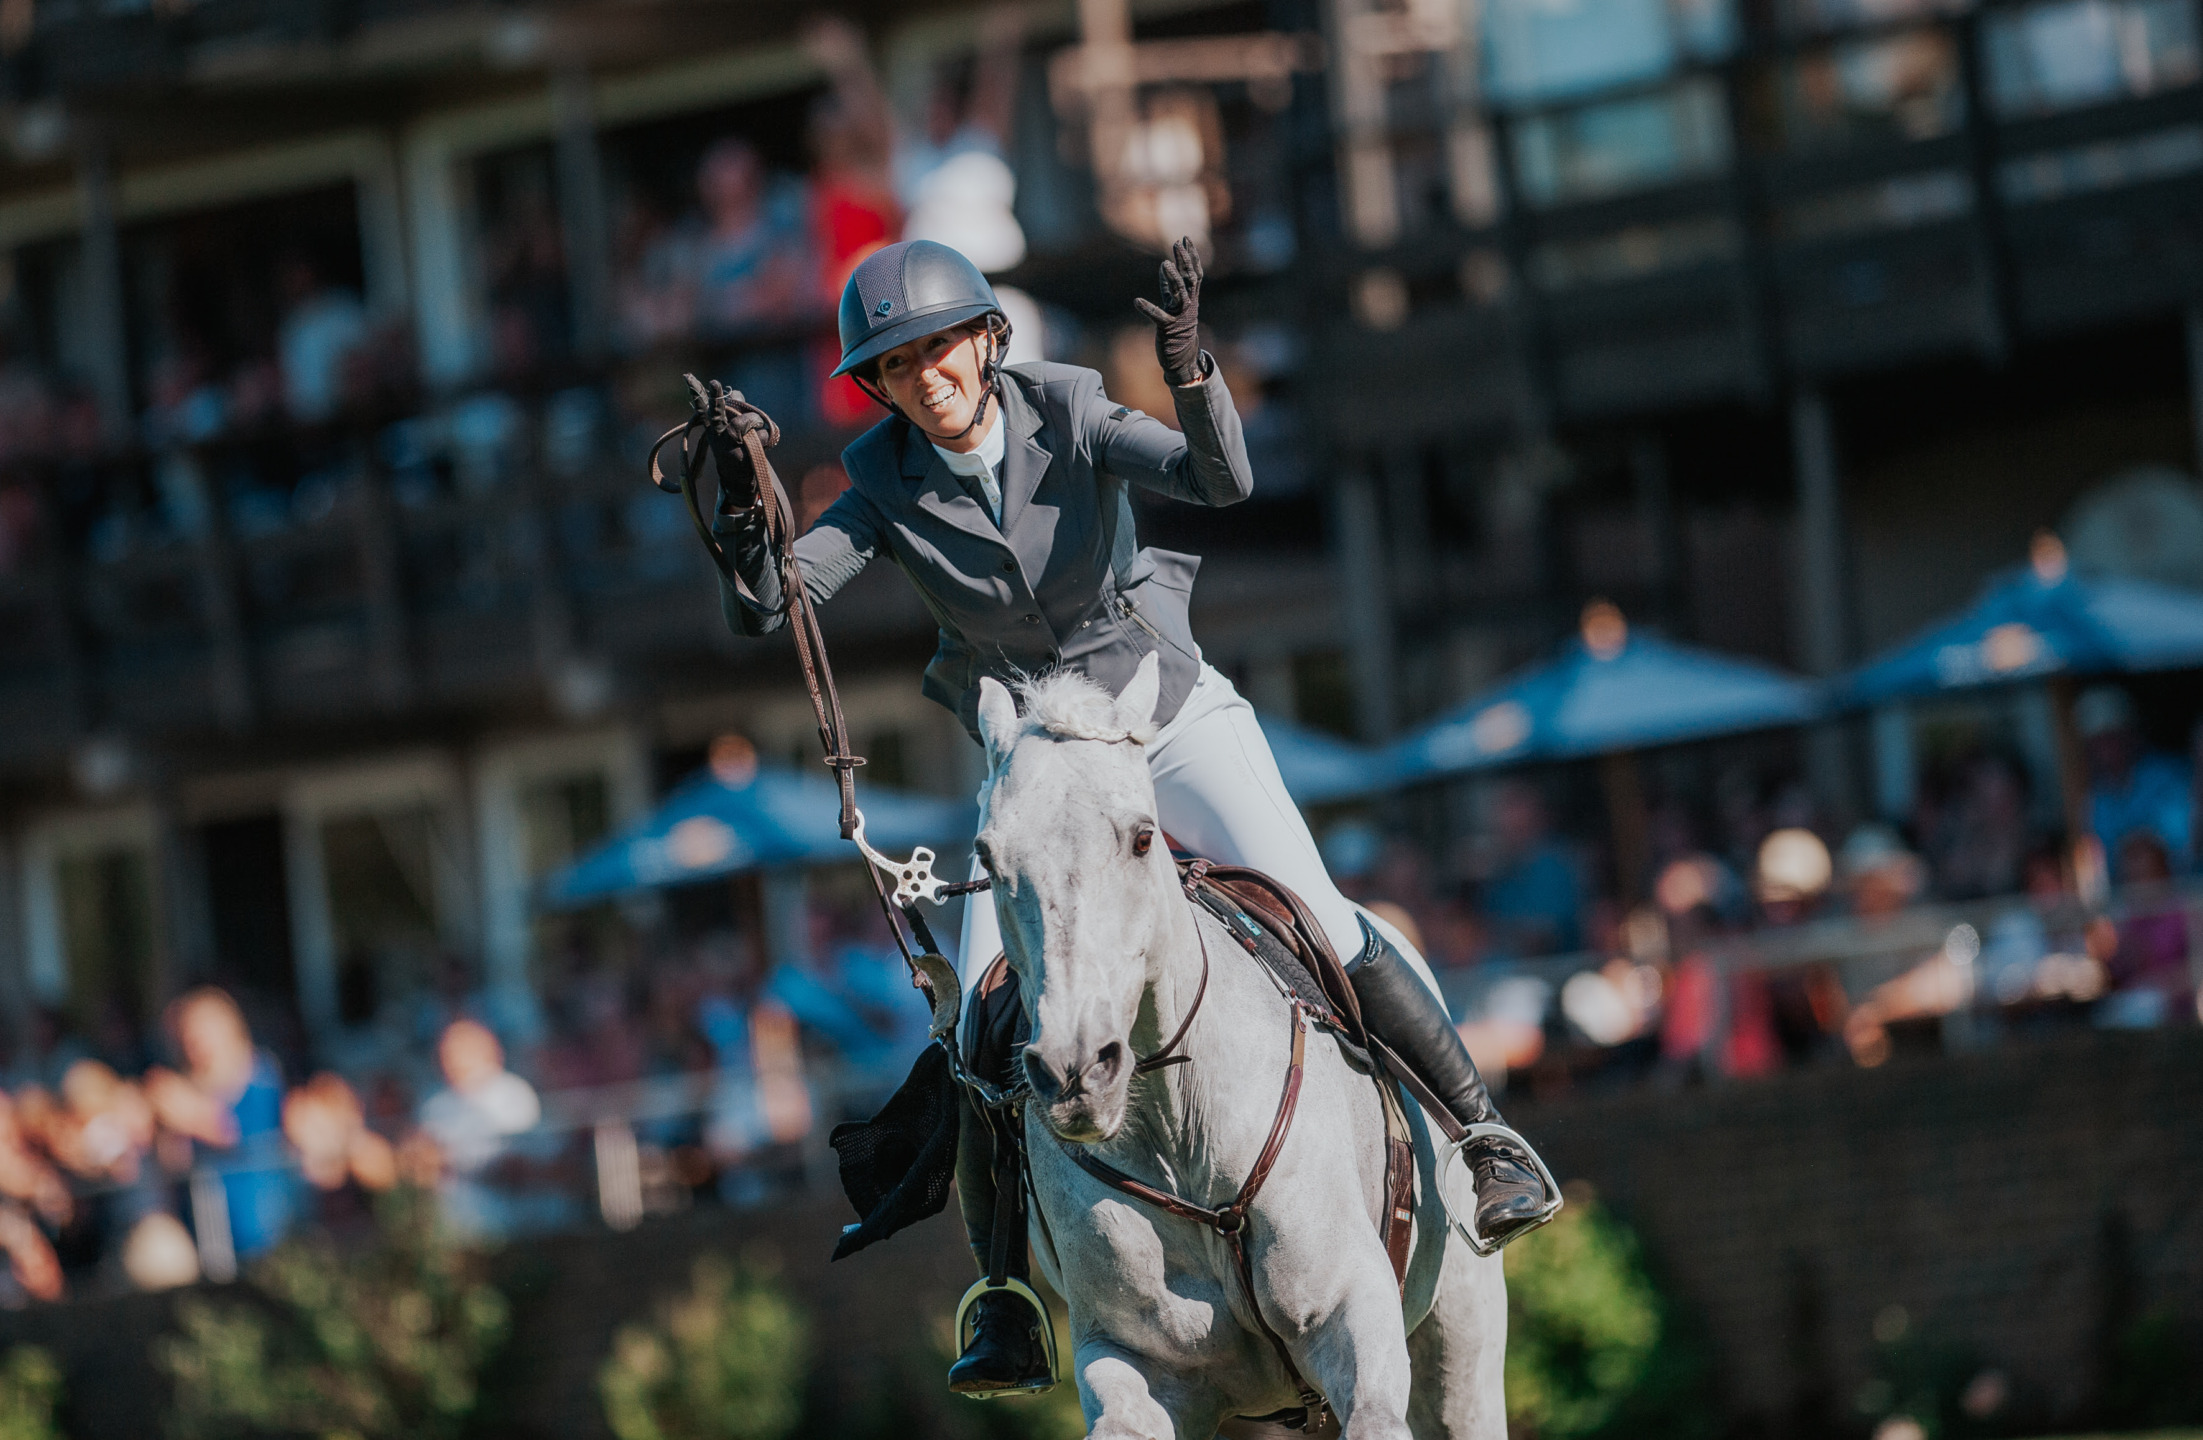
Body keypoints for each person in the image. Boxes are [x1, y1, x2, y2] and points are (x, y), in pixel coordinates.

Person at [704, 236, 1559, 1394]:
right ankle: (1005, 1293)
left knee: (1319, 911)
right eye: (898, 367)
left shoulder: (1066, 406)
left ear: (986, 340)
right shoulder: (881, 479)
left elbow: (1220, 485)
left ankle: (1483, 1140)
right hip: (1036, 768)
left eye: (941, 347)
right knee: (975, 1038)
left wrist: (1193, 377)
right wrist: (743, 527)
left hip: (1158, 714)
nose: (926, 377)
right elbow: (780, 608)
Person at [2078, 686, 2191, 877]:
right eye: (2097, 742)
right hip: (2126, 902)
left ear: (2130, 734)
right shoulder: (2095, 798)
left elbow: (2183, 848)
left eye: (2111, 738)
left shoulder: (2168, 777)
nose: (2105, 750)